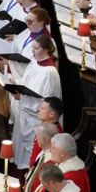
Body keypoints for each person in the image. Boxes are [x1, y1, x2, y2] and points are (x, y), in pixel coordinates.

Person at [10, 35, 62, 170]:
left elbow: (44, 102)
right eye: (32, 48)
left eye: (36, 48)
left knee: (30, 158)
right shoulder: (34, 62)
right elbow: (26, 82)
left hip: (36, 121)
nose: (33, 52)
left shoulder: (49, 72)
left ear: (46, 50)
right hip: (25, 114)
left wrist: (21, 98)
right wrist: (16, 84)